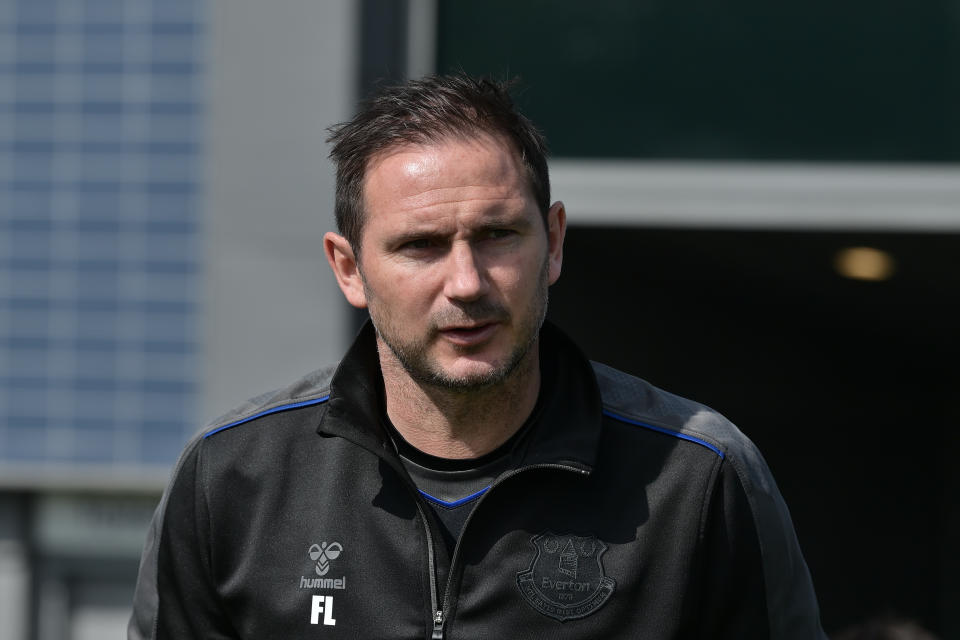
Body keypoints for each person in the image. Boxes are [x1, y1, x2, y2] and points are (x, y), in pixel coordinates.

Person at [129, 74, 826, 639]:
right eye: (420, 245)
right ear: (348, 269)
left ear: (553, 242)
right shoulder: (233, 481)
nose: (465, 283)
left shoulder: (697, 480)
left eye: (496, 235)